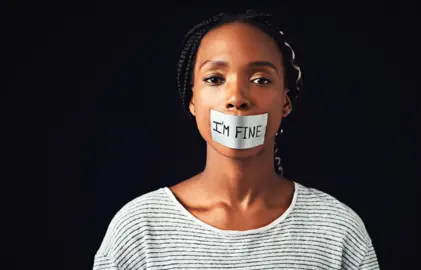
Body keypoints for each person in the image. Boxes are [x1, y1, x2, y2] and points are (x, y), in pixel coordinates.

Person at [93, 10, 380, 270]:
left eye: (261, 80)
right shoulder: (139, 229)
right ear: (192, 99)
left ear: (285, 102)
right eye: (215, 79)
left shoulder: (337, 229)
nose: (237, 99)